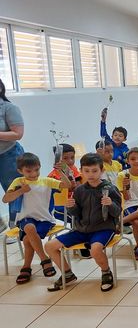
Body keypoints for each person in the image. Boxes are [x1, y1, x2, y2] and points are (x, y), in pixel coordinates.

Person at [44, 153, 122, 292]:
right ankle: (67, 274)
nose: (90, 174)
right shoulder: (80, 190)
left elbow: (117, 213)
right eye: (86, 171)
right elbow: (77, 214)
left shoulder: (109, 189)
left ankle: (106, 272)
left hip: (103, 228)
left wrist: (110, 204)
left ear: (102, 170)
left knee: (95, 249)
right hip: (81, 230)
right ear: (81, 171)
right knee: (50, 246)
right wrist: (71, 206)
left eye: (94, 171)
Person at [2, 153, 70, 284]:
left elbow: (67, 185)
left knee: (28, 239)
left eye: (37, 170)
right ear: (20, 171)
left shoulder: (46, 181)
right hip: (25, 219)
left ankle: (26, 267)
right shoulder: (18, 182)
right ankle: (44, 259)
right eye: (28, 171)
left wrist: (61, 171)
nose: (33, 174)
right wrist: (20, 191)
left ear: (40, 167)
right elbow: (6, 199)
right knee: (29, 227)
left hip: (45, 219)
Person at [0, 78, 25, 234]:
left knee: (14, 191)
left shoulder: (8, 108)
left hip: (8, 155)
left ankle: (15, 228)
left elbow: (18, 134)